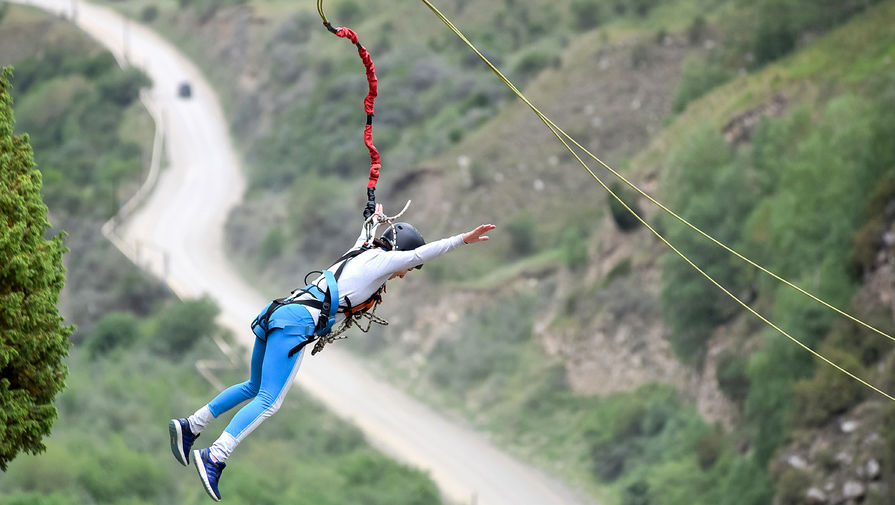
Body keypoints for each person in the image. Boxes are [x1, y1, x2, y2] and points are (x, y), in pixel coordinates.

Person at [169, 204, 495, 502]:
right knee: (269, 400)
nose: (404, 273)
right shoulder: (384, 261)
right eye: (406, 267)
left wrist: (373, 219)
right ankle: (216, 455)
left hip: (278, 311)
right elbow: (422, 254)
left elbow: (365, 234)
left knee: (254, 386)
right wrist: (462, 239)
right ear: (400, 252)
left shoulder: (359, 253)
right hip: (297, 324)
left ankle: (192, 425)